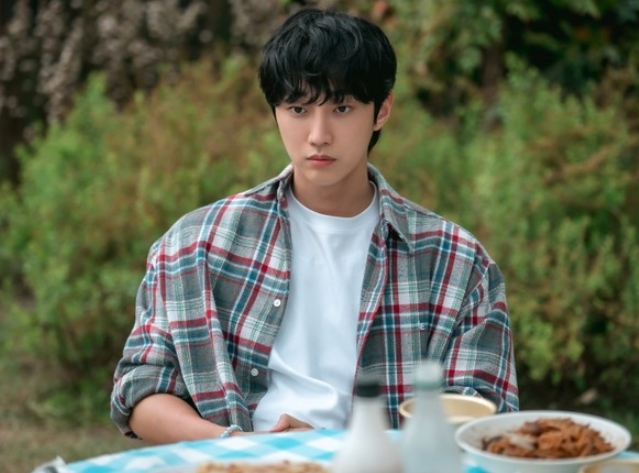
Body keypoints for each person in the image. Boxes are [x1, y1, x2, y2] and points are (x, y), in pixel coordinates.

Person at [110, 7, 519, 444]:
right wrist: (239, 447)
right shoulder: (196, 244)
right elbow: (141, 389)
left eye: (342, 107)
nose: (318, 134)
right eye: (298, 108)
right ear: (276, 111)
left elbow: (483, 422)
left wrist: (329, 451)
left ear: (381, 110)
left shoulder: (456, 263)